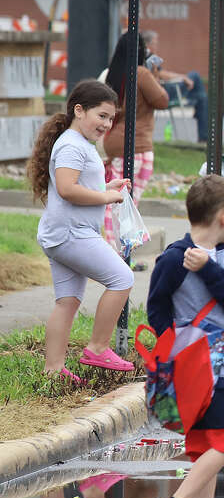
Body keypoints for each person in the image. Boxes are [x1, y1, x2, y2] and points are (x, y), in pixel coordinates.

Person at [146, 174, 224, 498]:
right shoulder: (173, 259)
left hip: (222, 366)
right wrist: (172, 347)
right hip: (202, 369)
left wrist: (208, 267)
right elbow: (156, 307)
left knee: (206, 443)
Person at [26, 80, 134, 382]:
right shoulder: (73, 144)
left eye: (111, 118)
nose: (107, 124)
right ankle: (98, 348)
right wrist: (105, 197)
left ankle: (54, 371)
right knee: (122, 277)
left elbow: (74, 187)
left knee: (68, 301)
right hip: (71, 234)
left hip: (61, 233)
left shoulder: (75, 143)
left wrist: (104, 187)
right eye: (101, 115)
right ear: (79, 110)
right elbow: (66, 189)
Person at [102, 30, 169, 253]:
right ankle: (119, 252)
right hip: (138, 146)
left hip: (116, 143)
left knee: (119, 203)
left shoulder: (115, 74)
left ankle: (120, 251)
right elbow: (162, 100)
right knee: (126, 204)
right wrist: (155, 73)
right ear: (141, 52)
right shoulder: (141, 73)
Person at [142, 29, 209, 142]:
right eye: (155, 43)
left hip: (162, 90)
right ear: (148, 44)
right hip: (163, 93)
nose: (156, 46)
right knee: (195, 77)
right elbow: (161, 75)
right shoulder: (148, 57)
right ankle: (203, 133)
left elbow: (160, 74)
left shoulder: (144, 57)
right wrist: (183, 77)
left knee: (201, 96)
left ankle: (200, 107)